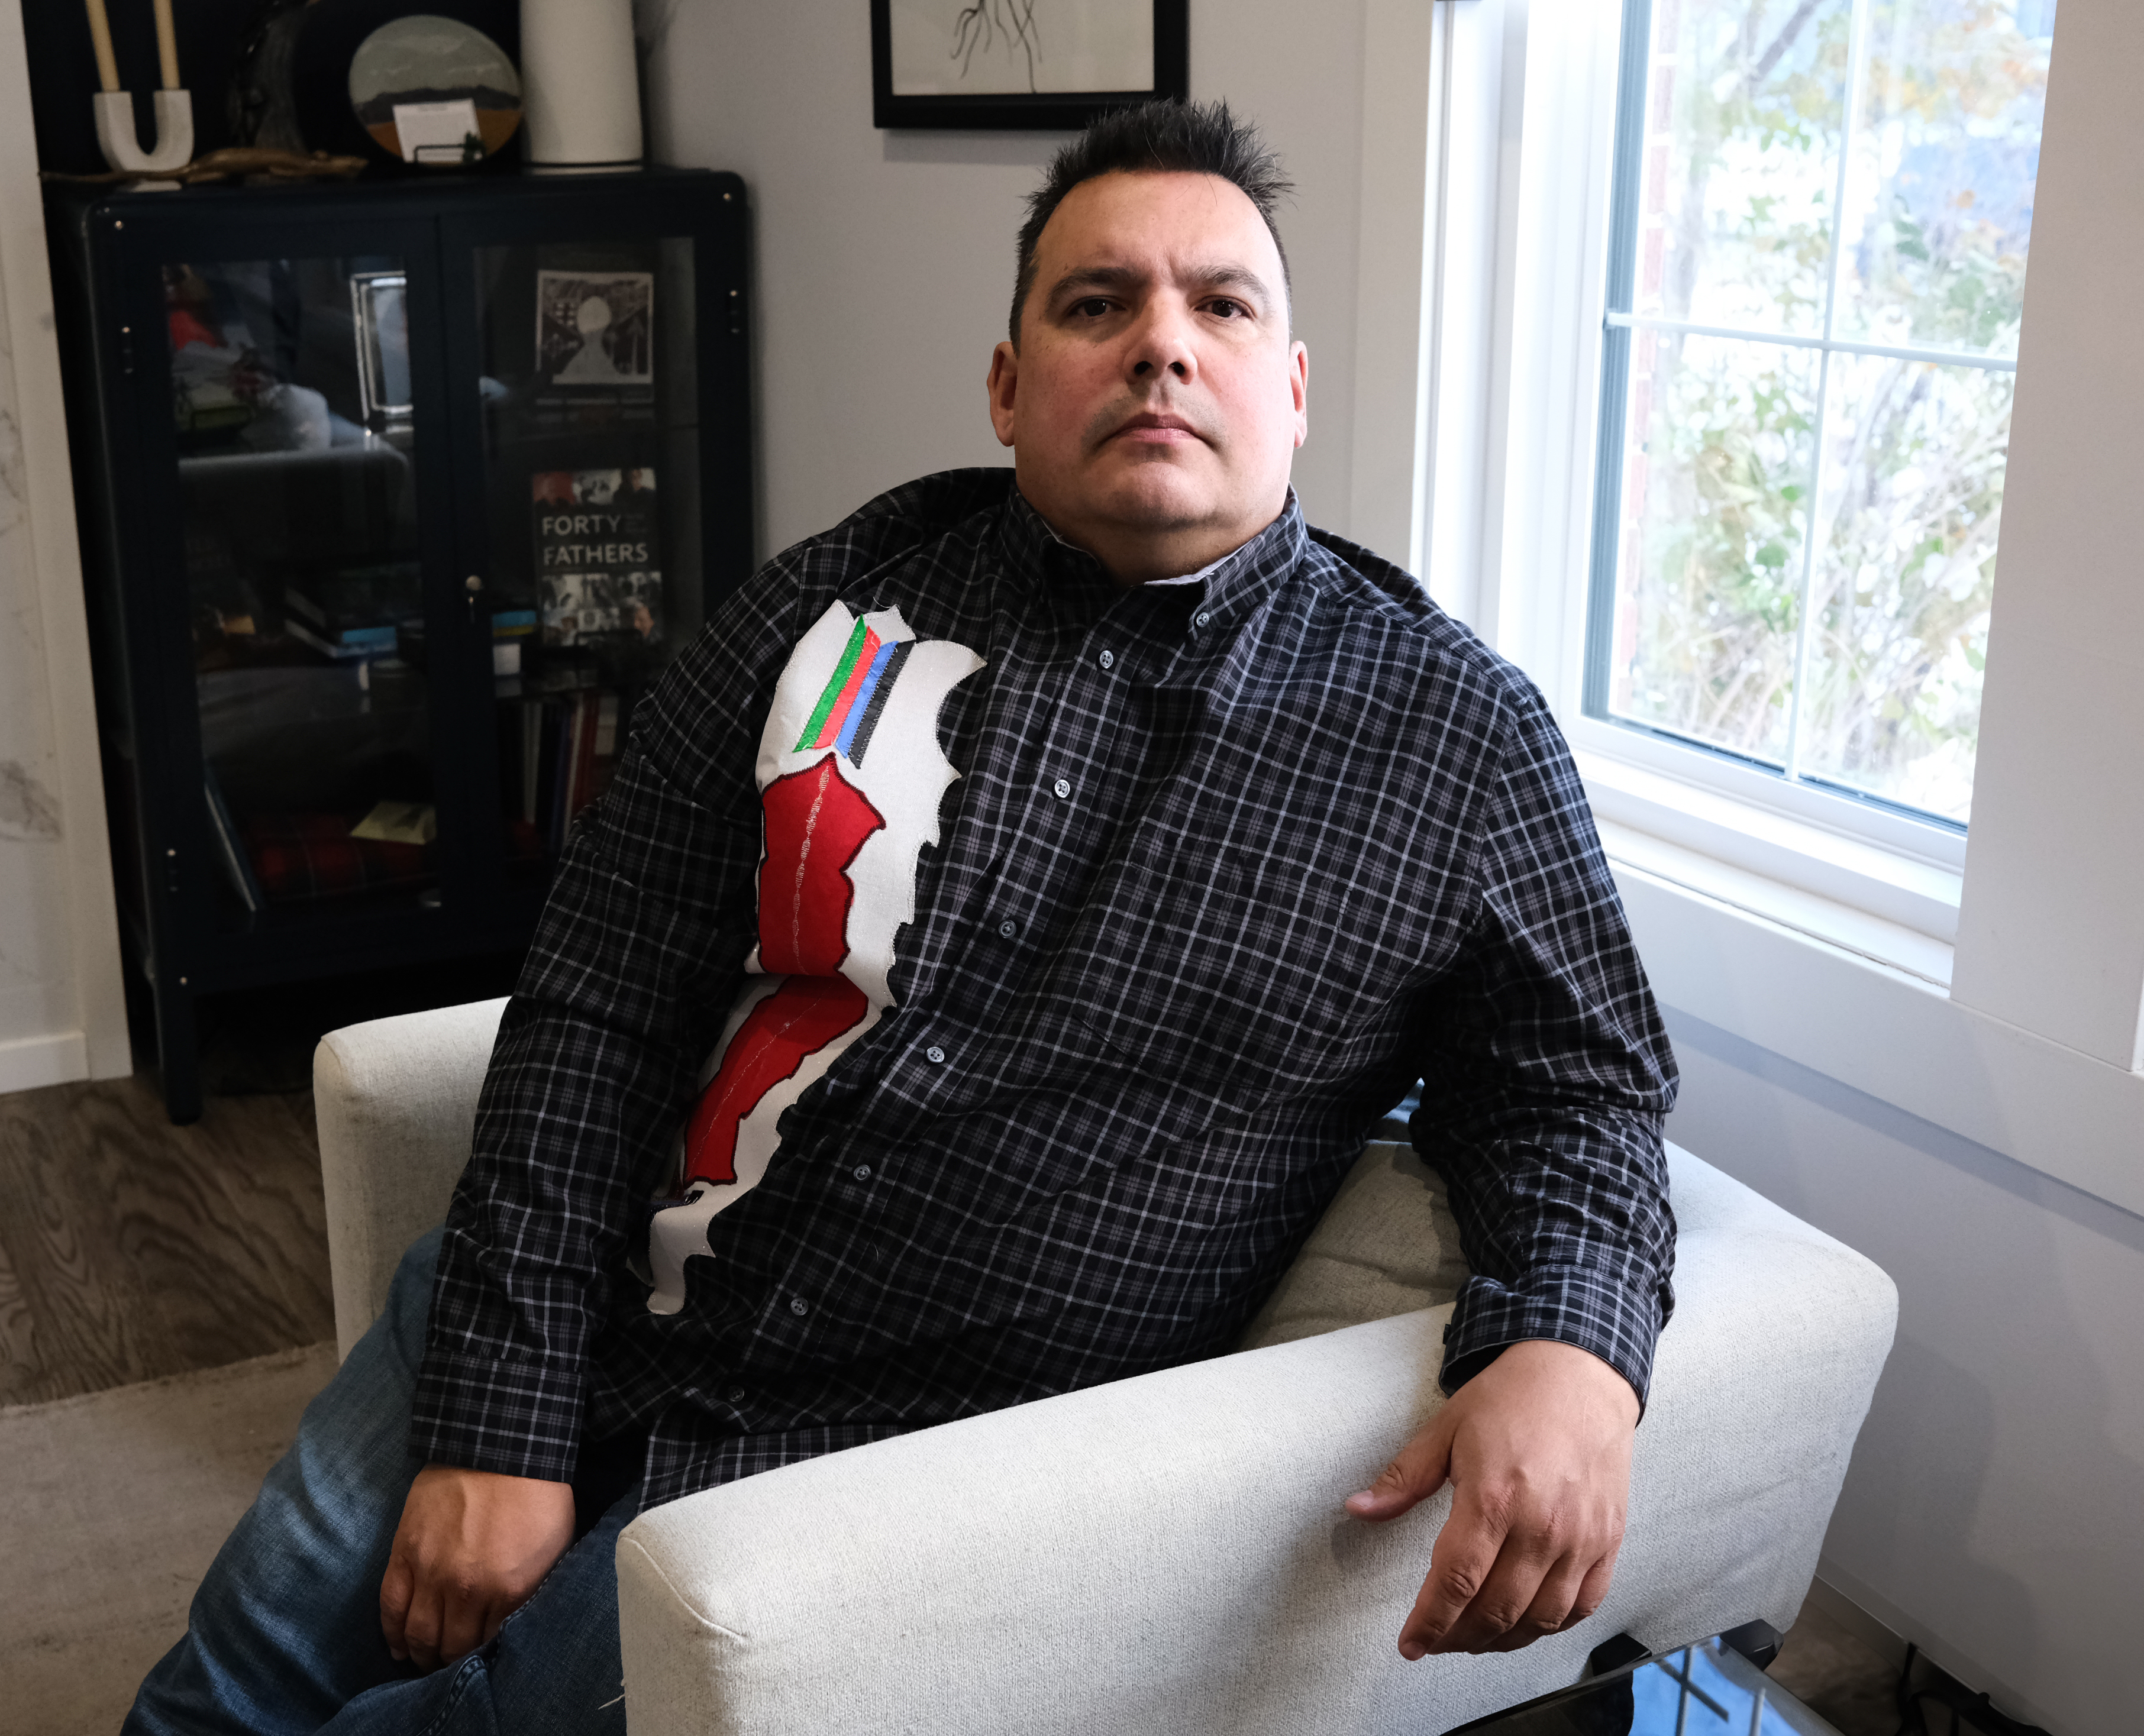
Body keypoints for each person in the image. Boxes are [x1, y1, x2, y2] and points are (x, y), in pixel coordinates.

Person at [126, 99, 1677, 1736]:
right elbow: (596, 1002)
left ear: (1292, 392)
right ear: (1009, 387)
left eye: (1223, 307)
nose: (1163, 346)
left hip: (861, 1477)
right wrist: (501, 1420)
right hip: (557, 1298)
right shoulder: (831, 602)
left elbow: (1579, 1089)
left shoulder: (1446, 736)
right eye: (1098, 305)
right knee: (205, 1711)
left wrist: (1571, 1348)